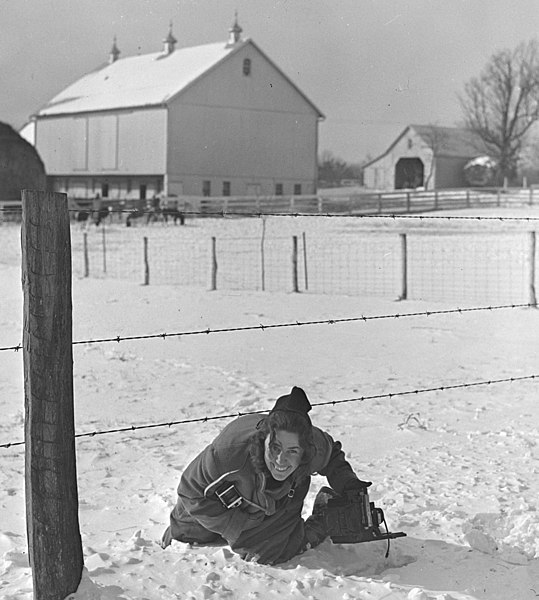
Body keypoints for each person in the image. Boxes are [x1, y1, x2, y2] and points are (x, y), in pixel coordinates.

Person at [161, 386, 371, 564]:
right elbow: (190, 492)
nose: (281, 460)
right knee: (186, 534)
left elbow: (332, 455)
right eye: (275, 447)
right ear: (263, 439)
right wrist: (236, 527)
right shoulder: (228, 453)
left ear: (305, 450)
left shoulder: (313, 445)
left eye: (292, 451)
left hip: (280, 499)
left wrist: (348, 484)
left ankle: (322, 518)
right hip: (218, 504)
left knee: (270, 554)